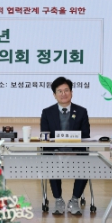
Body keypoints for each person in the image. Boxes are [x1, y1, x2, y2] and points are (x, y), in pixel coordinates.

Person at [40, 76, 90, 215]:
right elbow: (45, 135)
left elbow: (85, 135)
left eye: (66, 90)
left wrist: (73, 150)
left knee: (86, 163)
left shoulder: (81, 111)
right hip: (55, 152)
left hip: (76, 153)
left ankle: (74, 200)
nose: (63, 94)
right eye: (60, 91)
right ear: (54, 95)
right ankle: (58, 200)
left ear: (71, 92)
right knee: (51, 161)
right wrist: (56, 150)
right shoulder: (47, 112)